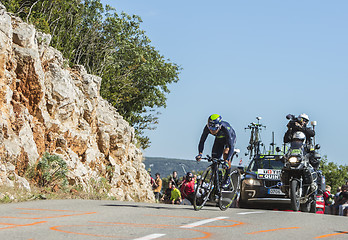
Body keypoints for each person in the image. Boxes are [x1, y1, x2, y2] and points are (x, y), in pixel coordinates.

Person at [196, 114, 236, 189]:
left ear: (219, 126)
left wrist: (227, 160)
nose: (212, 130)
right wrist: (200, 154)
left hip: (229, 139)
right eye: (210, 128)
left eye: (214, 129)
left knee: (226, 154)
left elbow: (231, 147)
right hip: (219, 139)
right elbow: (202, 141)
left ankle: (227, 177)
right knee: (214, 159)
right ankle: (217, 179)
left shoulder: (225, 129)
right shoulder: (207, 128)